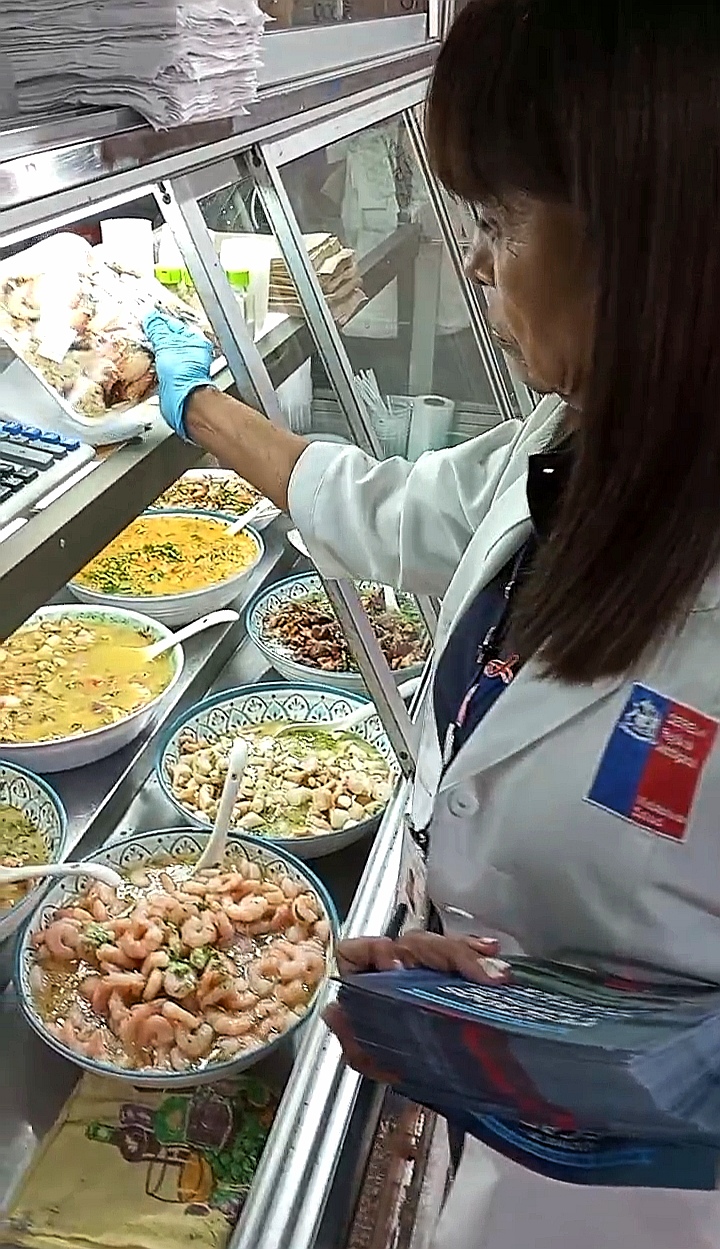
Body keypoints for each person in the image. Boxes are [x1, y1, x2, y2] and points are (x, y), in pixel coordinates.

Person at [143, 2, 720, 1244]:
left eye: (502, 220)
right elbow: (378, 504)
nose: (473, 260)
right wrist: (197, 407)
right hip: (509, 1138)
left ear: (655, 240)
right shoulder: (577, 446)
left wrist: (603, 1042)